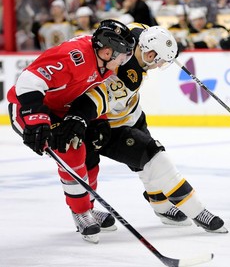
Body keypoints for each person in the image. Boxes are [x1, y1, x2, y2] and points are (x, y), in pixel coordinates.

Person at [64, 23, 228, 236]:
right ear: (149, 54)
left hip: (131, 114)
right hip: (109, 126)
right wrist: (77, 118)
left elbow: (142, 28)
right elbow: (95, 101)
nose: (158, 66)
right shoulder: (128, 75)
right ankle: (198, 212)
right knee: (153, 157)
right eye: (158, 60)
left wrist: (170, 47)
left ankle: (161, 207)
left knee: (145, 163)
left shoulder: (136, 35)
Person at [7, 19, 135, 243]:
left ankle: (87, 207)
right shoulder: (74, 56)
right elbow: (27, 82)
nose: (123, 61)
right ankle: (80, 212)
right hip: (31, 107)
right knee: (70, 150)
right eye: (122, 56)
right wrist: (37, 120)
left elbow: (89, 91)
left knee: (91, 153)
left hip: (63, 109)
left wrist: (98, 120)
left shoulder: (103, 62)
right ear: (107, 51)